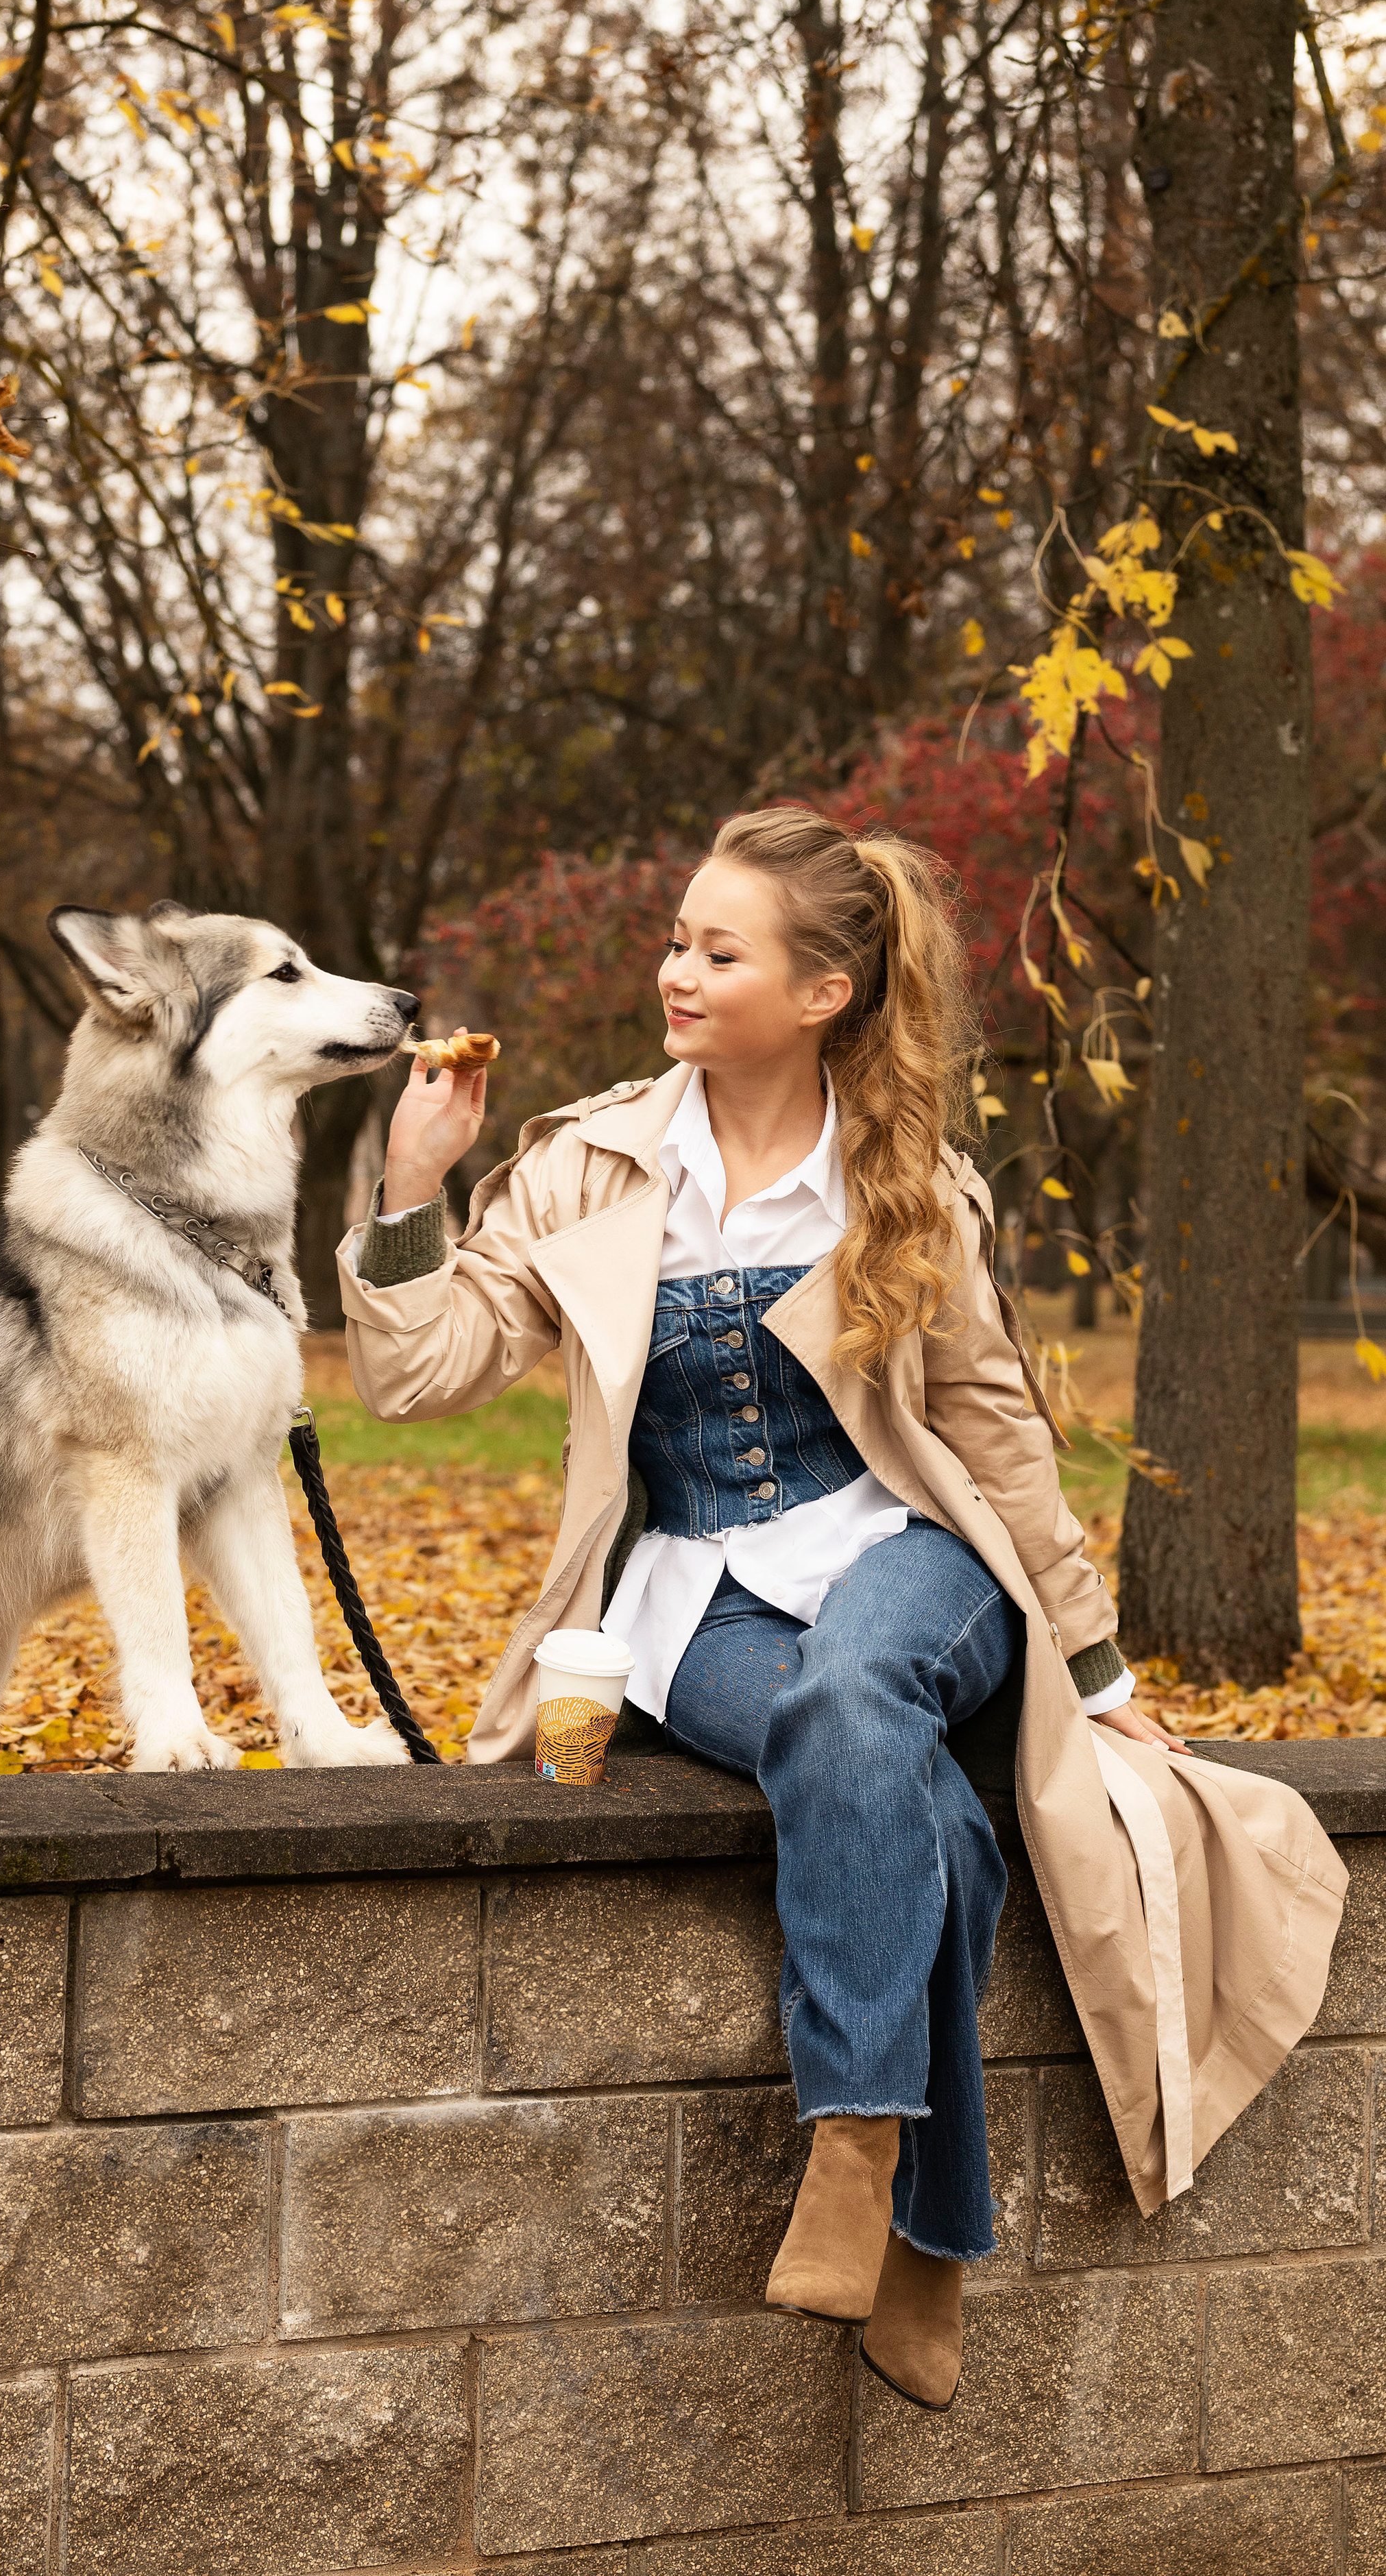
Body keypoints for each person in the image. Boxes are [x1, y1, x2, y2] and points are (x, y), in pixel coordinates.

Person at [338, 804, 1348, 2414]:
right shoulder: (585, 1165)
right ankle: (931, 2235)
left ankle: (850, 2140)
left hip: (913, 1556)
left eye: (714, 950)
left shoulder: (905, 1182)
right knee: (910, 1810)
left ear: (820, 992)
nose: (672, 969)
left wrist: (1089, 1671)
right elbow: (412, 1375)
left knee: (862, 1681)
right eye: (674, 939)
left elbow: (996, 1431)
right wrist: (411, 1186)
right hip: (690, 1597)